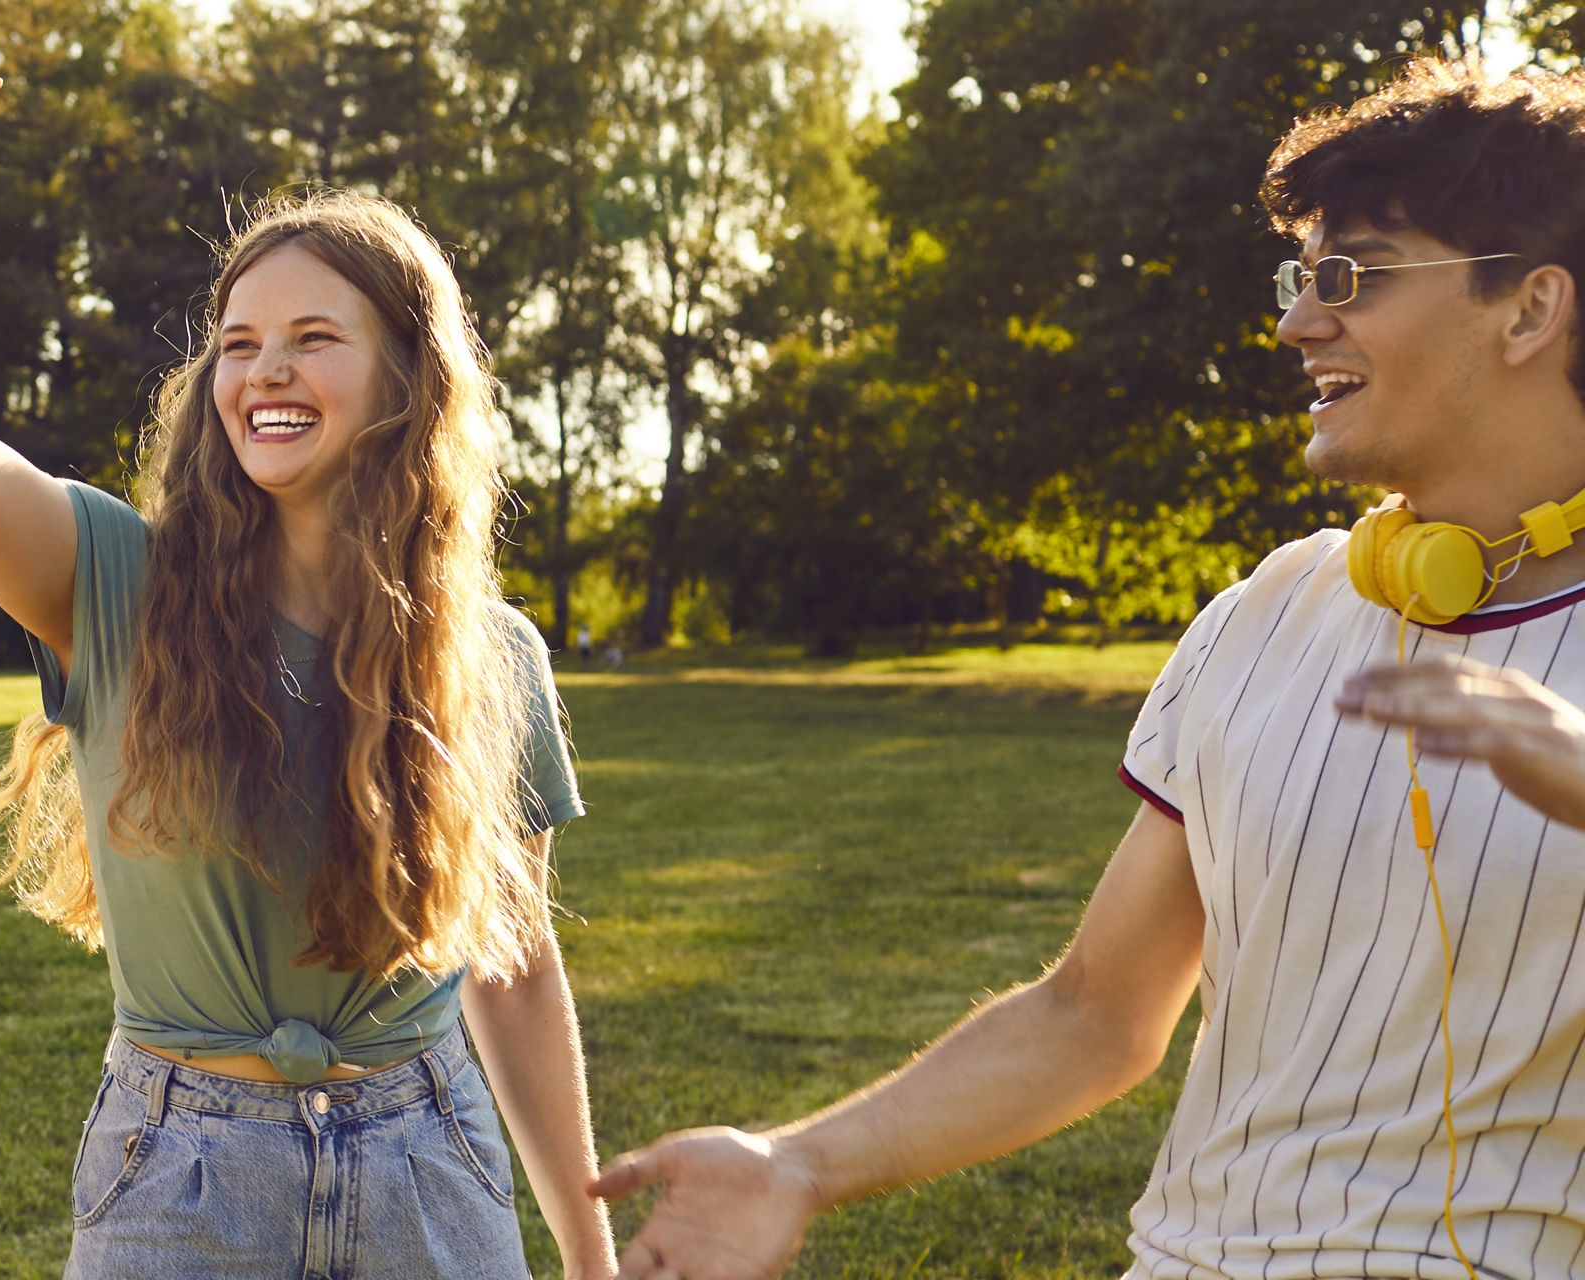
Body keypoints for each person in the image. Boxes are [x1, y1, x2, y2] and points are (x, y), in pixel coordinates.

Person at [589, 59, 1585, 1280]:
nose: (1296, 324)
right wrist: (800, 1159)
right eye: (1298, 279)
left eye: (1352, 279)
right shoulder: (1268, 610)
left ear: (1530, 311)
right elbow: (1094, 1013)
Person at [0, 179, 617, 1271]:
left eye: (314, 337)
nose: (264, 371)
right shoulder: (115, 578)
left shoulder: (493, 659)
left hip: (432, 1163)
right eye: (239, 342)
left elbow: (517, 966)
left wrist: (592, 1252)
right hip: (180, 1173)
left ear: (410, 374)